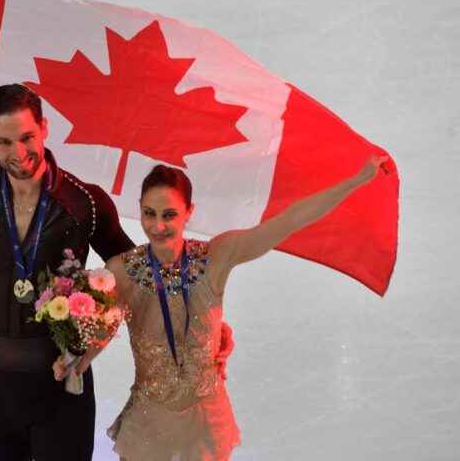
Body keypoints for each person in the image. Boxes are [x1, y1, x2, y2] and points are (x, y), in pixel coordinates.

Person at [0, 14, 234, 460]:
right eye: (5, 142)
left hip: (61, 387)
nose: (20, 153)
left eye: (27, 137)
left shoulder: (84, 203)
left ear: (45, 128)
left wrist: (203, 322)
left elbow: (142, 274)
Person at [56, 157, 388, 460]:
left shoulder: (216, 257)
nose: (158, 226)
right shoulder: (122, 270)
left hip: (205, 423)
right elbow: (106, 325)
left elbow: (288, 222)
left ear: (189, 211)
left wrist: (356, 180)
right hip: (149, 422)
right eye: (149, 213)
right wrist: (80, 359)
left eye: (169, 214)